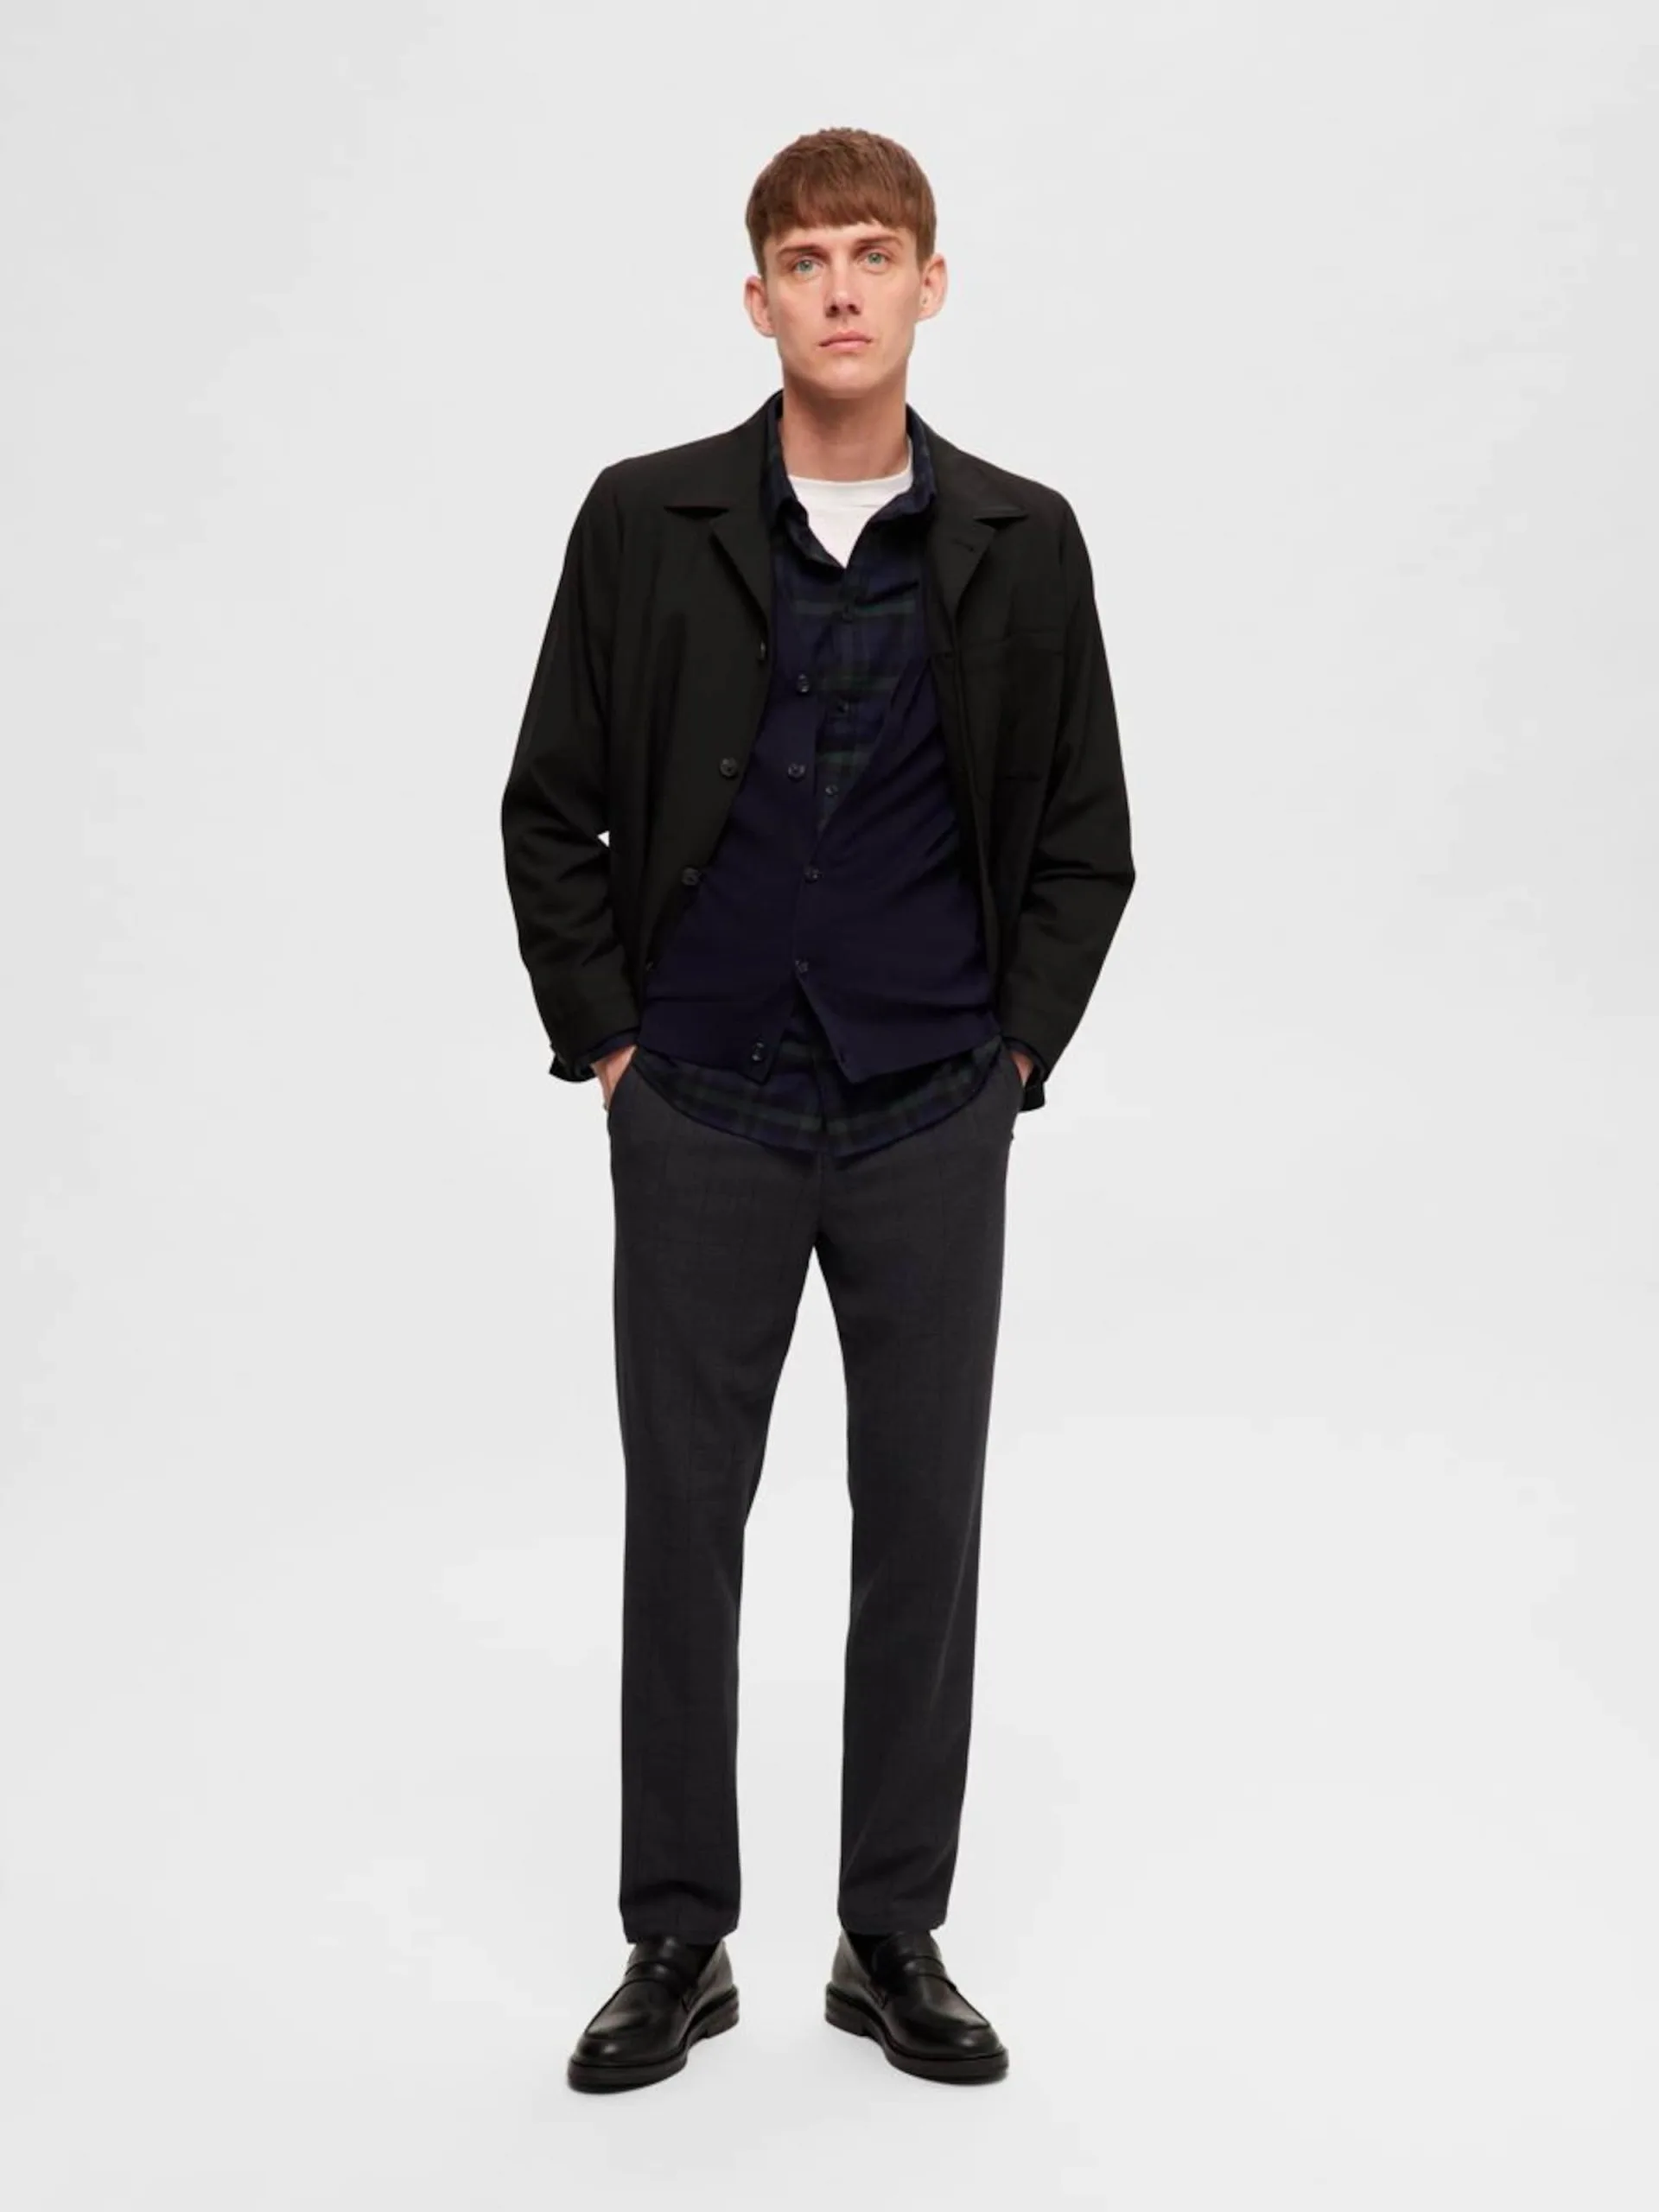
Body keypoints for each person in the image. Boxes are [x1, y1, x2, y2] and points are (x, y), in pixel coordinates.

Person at [500, 126, 1135, 2092]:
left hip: (931, 1103)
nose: (840, 287)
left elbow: (1087, 841)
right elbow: (550, 809)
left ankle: (891, 1931)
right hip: (701, 1099)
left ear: (931, 285)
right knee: (684, 1517)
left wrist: (1010, 1061)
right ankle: (676, 1937)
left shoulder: (1025, 538)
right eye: (804, 257)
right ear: (757, 296)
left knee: (922, 1517)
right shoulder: (646, 520)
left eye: (873, 253)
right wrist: (616, 1048)